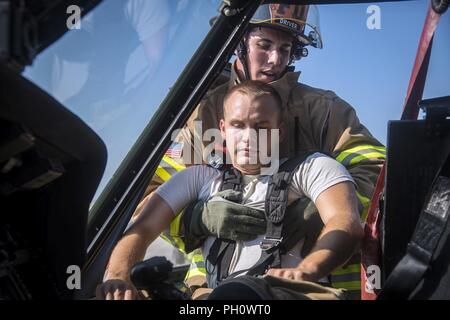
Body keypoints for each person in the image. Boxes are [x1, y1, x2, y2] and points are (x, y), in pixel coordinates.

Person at [132, 3, 385, 298]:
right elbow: (152, 197)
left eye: (286, 48)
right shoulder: (204, 116)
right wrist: (196, 219)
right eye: (264, 45)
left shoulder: (324, 111)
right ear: (239, 44)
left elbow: (376, 171)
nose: (275, 60)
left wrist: (326, 213)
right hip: (213, 289)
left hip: (312, 287)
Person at [96, 81, 363, 300]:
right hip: (216, 297)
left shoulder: (312, 168)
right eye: (238, 126)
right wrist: (117, 278)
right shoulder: (197, 179)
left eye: (261, 127)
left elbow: (345, 222)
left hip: (291, 294)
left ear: (279, 131)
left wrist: (308, 270)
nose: (248, 137)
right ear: (223, 129)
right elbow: (141, 231)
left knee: (235, 296)